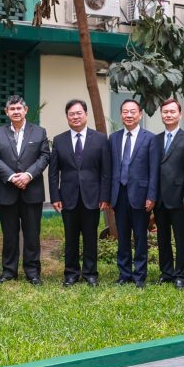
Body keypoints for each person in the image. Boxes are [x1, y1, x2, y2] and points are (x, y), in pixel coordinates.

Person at [0, 95, 50, 285]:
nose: (16, 111)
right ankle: (8, 271)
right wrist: (12, 177)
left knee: (32, 234)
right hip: (7, 190)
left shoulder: (39, 132)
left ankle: (32, 272)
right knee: (9, 234)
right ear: (6, 112)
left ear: (25, 110)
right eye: (12, 109)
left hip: (32, 190)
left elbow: (45, 156)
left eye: (19, 108)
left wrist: (28, 175)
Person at [49, 99, 111, 287]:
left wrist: (105, 196)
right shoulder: (59, 140)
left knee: (90, 237)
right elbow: (53, 172)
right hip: (68, 197)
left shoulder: (100, 139)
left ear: (86, 114)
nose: (75, 117)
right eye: (71, 114)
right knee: (71, 238)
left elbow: (106, 171)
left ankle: (90, 273)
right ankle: (71, 273)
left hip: (93, 197)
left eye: (78, 113)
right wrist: (55, 196)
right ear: (67, 117)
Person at [108, 99, 158, 288]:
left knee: (140, 237)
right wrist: (109, 195)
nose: (129, 115)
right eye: (125, 112)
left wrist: (151, 196)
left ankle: (139, 275)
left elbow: (154, 170)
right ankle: (124, 274)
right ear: (121, 114)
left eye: (132, 112)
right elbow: (110, 168)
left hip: (141, 195)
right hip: (119, 194)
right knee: (122, 236)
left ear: (140, 114)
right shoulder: (114, 138)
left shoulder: (150, 138)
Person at [155, 98, 184, 290]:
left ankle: (181, 275)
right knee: (162, 238)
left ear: (180, 114)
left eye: (172, 111)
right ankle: (166, 272)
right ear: (161, 115)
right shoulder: (156, 139)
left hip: (181, 199)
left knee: (181, 239)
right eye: (165, 112)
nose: (168, 115)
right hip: (160, 199)